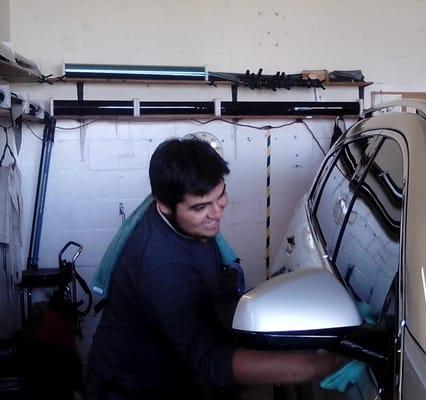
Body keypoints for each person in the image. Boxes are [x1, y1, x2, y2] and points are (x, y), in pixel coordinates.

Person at [85, 138, 345, 399]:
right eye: (200, 208)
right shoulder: (163, 266)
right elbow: (211, 362)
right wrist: (318, 365)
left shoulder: (182, 222)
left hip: (171, 371)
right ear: (164, 205)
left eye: (220, 197)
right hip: (131, 389)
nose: (216, 213)